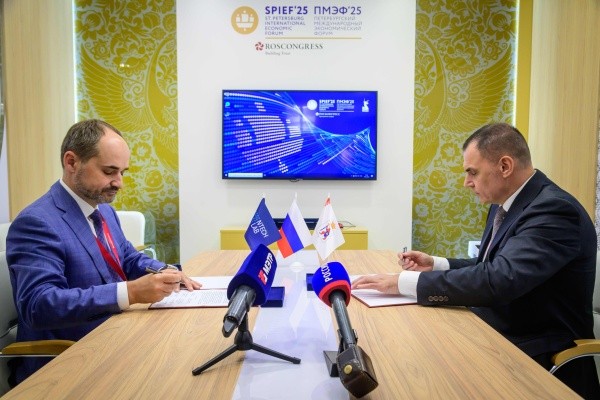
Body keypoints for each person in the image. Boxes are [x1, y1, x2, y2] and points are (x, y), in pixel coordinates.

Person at [352, 122, 600, 398]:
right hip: (498, 334)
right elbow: (491, 267)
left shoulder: (554, 211)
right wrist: (436, 264)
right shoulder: (505, 203)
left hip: (538, 354)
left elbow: (499, 280)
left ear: (505, 166)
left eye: (472, 172)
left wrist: (402, 283)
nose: (467, 182)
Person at [6, 119, 201, 385]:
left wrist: (164, 272)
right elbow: (39, 304)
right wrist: (131, 292)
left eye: (122, 172)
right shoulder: (37, 222)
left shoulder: (104, 211)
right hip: (68, 363)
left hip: (116, 338)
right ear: (71, 162)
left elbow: (128, 258)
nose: (119, 183)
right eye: (109, 171)